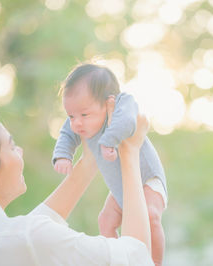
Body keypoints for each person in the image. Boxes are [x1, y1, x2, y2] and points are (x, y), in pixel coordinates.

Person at [0, 106, 154, 265]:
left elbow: (22, 236)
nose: (21, 151)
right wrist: (130, 151)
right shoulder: (27, 238)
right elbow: (136, 256)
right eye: (12, 146)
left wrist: (89, 161)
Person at [52, 63, 167, 265]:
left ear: (107, 103)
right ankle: (121, 259)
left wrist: (109, 139)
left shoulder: (123, 103)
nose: (76, 122)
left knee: (150, 215)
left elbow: (129, 121)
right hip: (120, 188)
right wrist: (63, 155)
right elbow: (66, 134)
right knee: (105, 221)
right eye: (71, 116)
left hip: (147, 179)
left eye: (84, 115)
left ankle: (154, 262)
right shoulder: (80, 122)